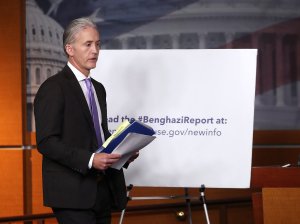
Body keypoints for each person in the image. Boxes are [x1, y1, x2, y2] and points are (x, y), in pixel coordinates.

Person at [34, 17, 137, 224]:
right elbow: (46, 142)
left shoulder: (98, 88)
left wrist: (123, 152)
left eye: (98, 44)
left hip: (103, 190)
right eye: (88, 44)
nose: (95, 51)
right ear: (69, 49)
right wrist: (90, 159)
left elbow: (98, 134)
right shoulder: (53, 88)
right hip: (71, 193)